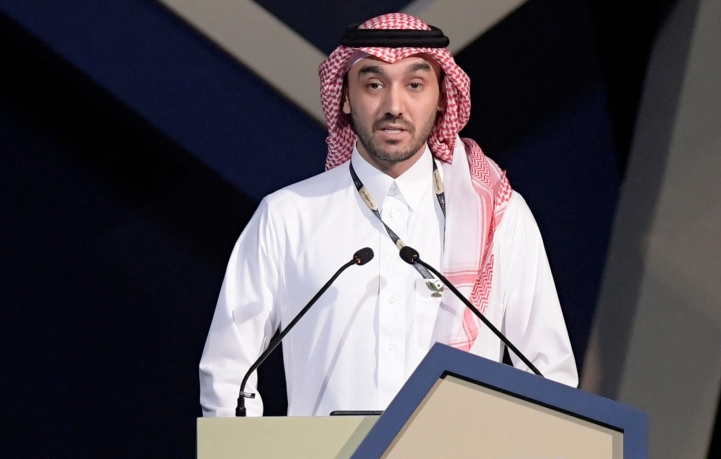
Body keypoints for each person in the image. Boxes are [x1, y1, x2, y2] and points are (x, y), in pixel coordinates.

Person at [199, 13, 578, 417]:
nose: (394, 106)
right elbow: (229, 372)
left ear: (442, 97)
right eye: (374, 84)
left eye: (415, 85)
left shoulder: (497, 216)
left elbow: (547, 374)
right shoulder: (288, 217)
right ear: (344, 97)